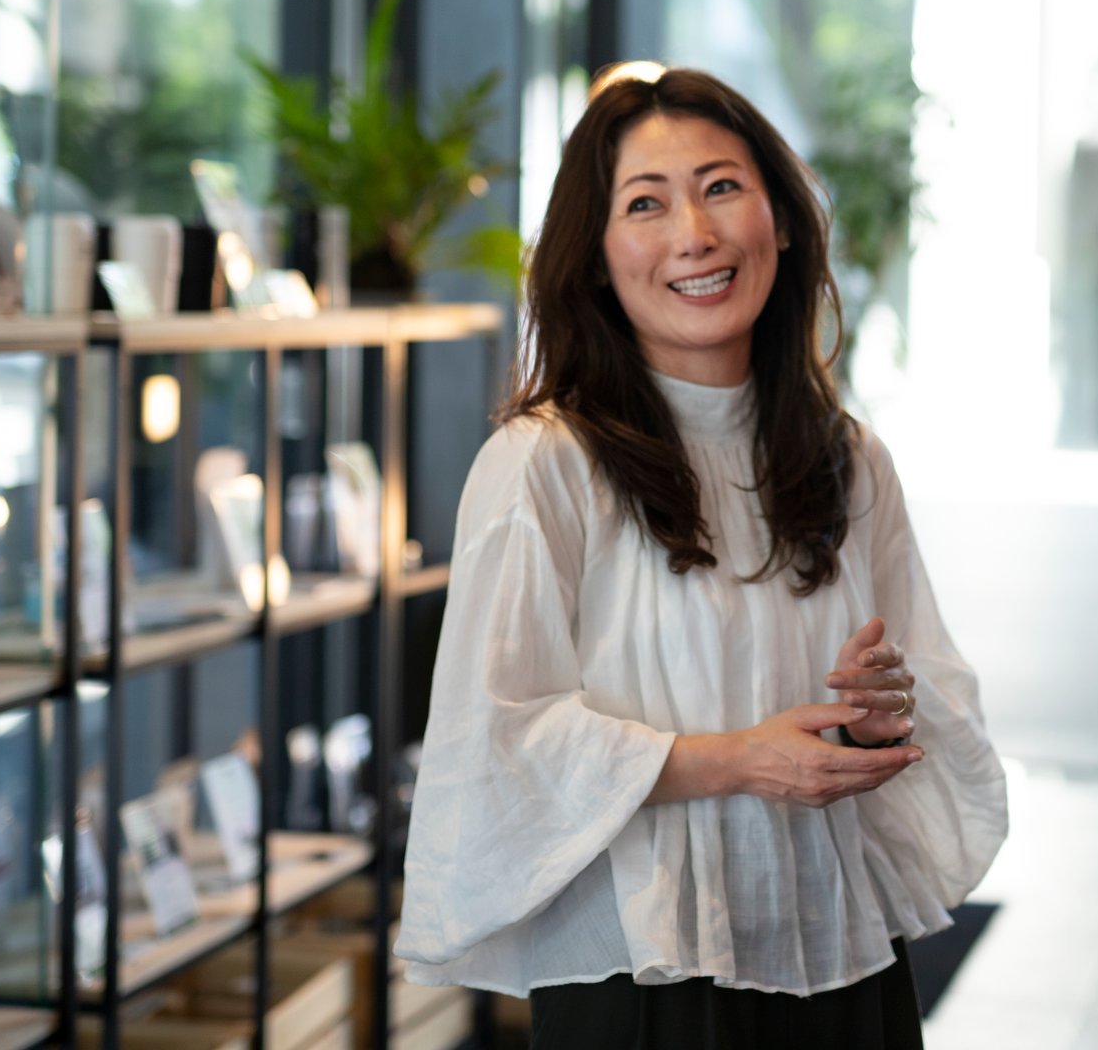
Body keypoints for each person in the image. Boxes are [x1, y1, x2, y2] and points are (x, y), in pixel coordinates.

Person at [395, 66, 1007, 1049]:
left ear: (783, 218)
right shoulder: (543, 465)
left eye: (722, 185)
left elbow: (931, 687)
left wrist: (885, 711)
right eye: (645, 203)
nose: (695, 233)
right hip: (645, 969)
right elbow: (495, 736)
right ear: (594, 257)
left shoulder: (848, 461)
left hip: (842, 945)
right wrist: (737, 760)